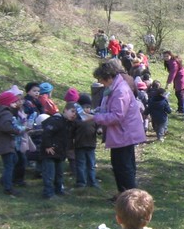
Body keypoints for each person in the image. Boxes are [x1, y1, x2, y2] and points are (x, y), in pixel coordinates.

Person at [90, 61, 146, 201]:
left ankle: (132, 199)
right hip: (121, 134)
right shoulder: (114, 87)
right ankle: (123, 193)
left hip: (125, 133)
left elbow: (117, 116)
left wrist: (95, 118)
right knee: (118, 165)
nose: (101, 83)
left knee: (124, 167)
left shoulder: (120, 90)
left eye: (101, 79)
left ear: (109, 77)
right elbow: (110, 108)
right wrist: (96, 112)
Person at [40, 102, 77, 199]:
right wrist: (47, 146)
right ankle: (48, 193)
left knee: (59, 173)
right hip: (50, 152)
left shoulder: (69, 123)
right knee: (49, 174)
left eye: (76, 113)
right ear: (65, 110)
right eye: (72, 111)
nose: (74, 114)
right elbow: (47, 133)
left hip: (60, 152)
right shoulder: (56, 121)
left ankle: (59, 190)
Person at [0, 90, 25, 196]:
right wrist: (17, 131)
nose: (16, 103)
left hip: (4, 142)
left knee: (14, 160)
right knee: (9, 165)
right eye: (14, 102)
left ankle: (4, 180)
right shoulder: (6, 113)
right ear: (8, 103)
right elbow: (5, 126)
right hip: (5, 143)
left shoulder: (3, 112)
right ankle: (8, 187)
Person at [72, 94, 99, 188]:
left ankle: (92, 182)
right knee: (80, 164)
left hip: (91, 145)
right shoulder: (76, 119)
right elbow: (72, 131)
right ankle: (81, 182)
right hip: (80, 145)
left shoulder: (93, 118)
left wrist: (100, 130)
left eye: (88, 107)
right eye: (84, 107)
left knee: (91, 164)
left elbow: (98, 128)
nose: (87, 109)